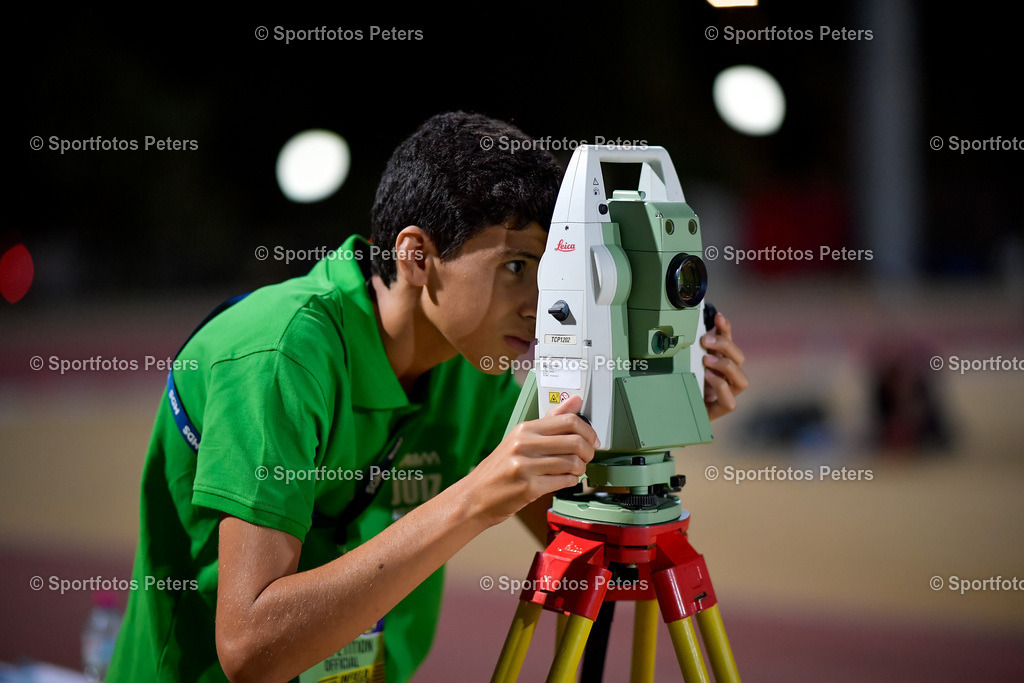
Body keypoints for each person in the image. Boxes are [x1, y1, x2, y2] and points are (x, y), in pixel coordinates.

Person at [107, 111, 749, 682]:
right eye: (516, 266)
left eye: (555, 267)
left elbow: (592, 552)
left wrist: (651, 408)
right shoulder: (280, 356)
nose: (544, 300)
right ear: (417, 256)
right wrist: (475, 497)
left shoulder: (481, 360)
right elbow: (251, 649)